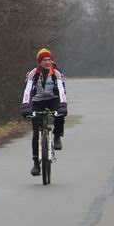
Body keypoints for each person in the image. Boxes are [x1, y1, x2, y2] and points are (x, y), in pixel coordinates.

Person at [21, 48, 68, 176]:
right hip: (38, 101)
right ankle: (36, 164)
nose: (47, 62)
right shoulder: (33, 74)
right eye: (44, 60)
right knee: (36, 133)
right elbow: (27, 91)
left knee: (59, 114)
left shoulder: (56, 73)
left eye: (49, 60)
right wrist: (25, 106)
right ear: (39, 62)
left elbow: (61, 90)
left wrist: (63, 105)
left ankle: (57, 136)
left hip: (53, 99)